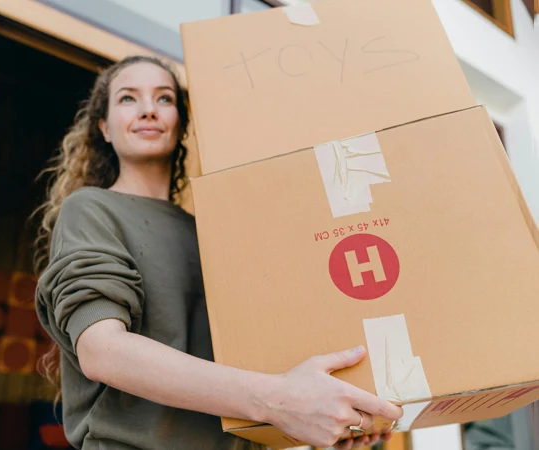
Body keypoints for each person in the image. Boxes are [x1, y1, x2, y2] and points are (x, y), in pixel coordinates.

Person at [32, 55, 404, 450]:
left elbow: (265, 363)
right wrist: (281, 400)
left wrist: (335, 416)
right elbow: (103, 351)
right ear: (104, 128)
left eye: (164, 99)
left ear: (181, 122)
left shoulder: (215, 233)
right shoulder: (90, 209)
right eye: (128, 99)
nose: (147, 110)